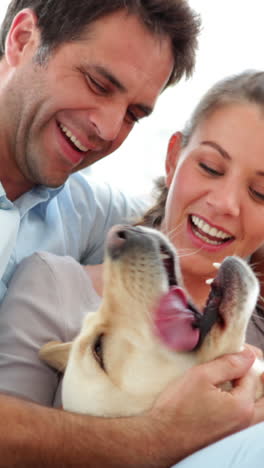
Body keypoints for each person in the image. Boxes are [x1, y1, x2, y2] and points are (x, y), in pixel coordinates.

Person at [1, 70, 264, 468]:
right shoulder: (54, 287)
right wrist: (157, 436)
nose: (226, 203)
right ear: (174, 158)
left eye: (261, 192)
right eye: (210, 167)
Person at [0, 0, 200, 304]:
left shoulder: (86, 212)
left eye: (132, 114)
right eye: (98, 84)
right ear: (23, 39)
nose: (108, 130)